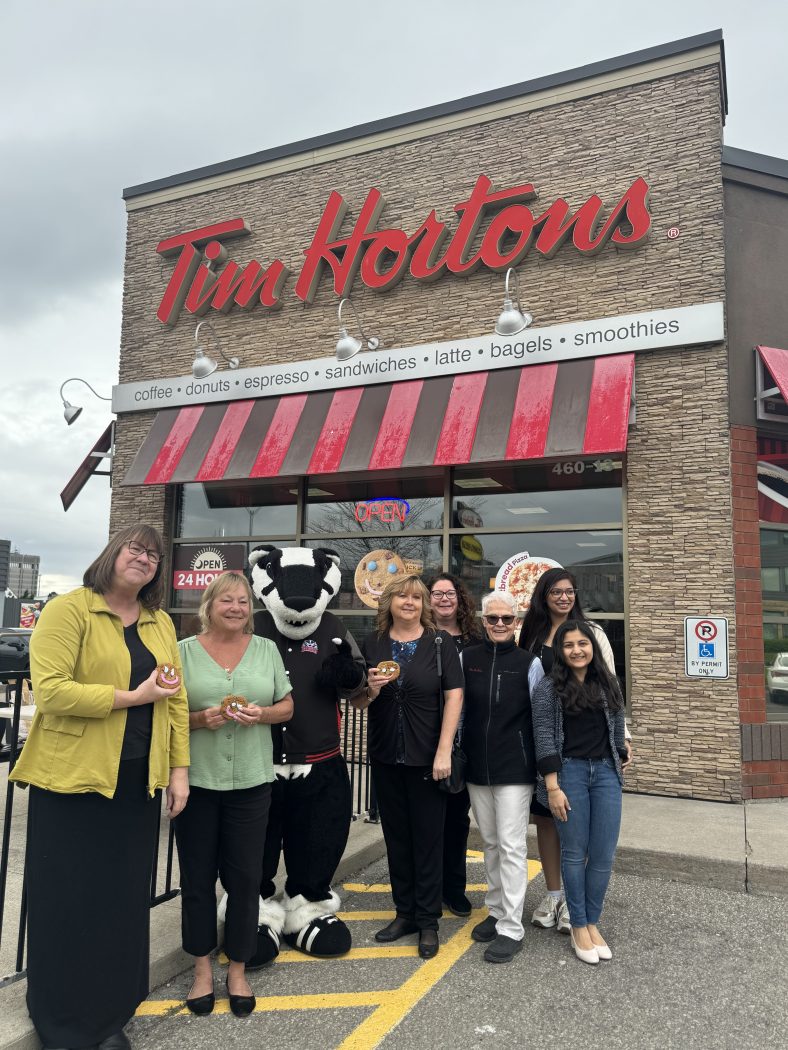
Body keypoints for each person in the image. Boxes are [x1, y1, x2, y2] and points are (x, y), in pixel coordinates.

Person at [10, 525, 190, 1050]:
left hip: (136, 783)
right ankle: (65, 1025)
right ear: (112, 553)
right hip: (73, 781)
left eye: (154, 554)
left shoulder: (158, 623)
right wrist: (135, 696)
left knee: (118, 901)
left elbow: (174, 701)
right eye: (135, 548)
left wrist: (178, 771)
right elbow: (51, 691)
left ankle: (109, 1012)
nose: (144, 558)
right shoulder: (69, 609)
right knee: (69, 902)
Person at [175, 572, 293, 1017]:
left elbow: (288, 705)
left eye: (244, 601)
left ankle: (238, 969)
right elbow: (167, 715)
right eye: (227, 600)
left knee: (245, 881)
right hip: (198, 783)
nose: (237, 607)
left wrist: (262, 714)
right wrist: (201, 720)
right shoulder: (183, 653)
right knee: (198, 881)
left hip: (251, 781)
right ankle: (202, 969)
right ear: (210, 605)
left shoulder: (265, 649)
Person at [356, 575, 464, 959]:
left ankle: (428, 920)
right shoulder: (373, 644)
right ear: (389, 602)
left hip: (426, 757)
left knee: (429, 840)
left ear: (424, 605)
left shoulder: (440, 644)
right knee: (397, 839)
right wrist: (370, 688)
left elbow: (454, 697)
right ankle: (404, 913)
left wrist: (444, 751)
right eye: (402, 595)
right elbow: (359, 702)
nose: (409, 602)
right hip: (386, 756)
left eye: (416, 597)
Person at [518, 567, 628, 934]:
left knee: (581, 827)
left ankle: (575, 904)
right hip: (548, 747)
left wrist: (622, 739)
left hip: (588, 749)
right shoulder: (531, 636)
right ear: (544, 596)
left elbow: (611, 689)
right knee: (548, 822)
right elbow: (529, 690)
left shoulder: (591, 633)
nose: (563, 597)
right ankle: (554, 894)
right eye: (555, 592)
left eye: (569, 591)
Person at [531, 620, 628, 965]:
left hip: (605, 773)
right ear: (561, 651)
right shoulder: (548, 688)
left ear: (592, 647)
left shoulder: (608, 683)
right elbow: (543, 736)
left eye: (582, 643)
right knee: (574, 852)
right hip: (568, 773)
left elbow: (616, 723)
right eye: (569, 645)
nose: (576, 650)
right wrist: (552, 786)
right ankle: (578, 926)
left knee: (603, 854)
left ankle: (591, 921)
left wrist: (622, 752)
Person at [462, 592, 544, 963]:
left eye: (506, 619)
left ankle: (512, 926)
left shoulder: (530, 663)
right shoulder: (467, 659)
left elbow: (539, 717)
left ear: (516, 623)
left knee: (512, 846)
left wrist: (544, 765)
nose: (498, 624)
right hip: (477, 766)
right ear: (482, 621)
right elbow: (458, 711)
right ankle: (495, 911)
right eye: (492, 618)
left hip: (515, 767)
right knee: (491, 843)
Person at [426, 572, 484, 918]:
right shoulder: (421, 637)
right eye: (437, 593)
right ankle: (429, 890)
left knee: (457, 820)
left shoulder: (475, 639)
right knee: (428, 821)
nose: (444, 599)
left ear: (460, 599)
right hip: (425, 738)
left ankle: (454, 888)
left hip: (465, 741)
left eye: (450, 594)